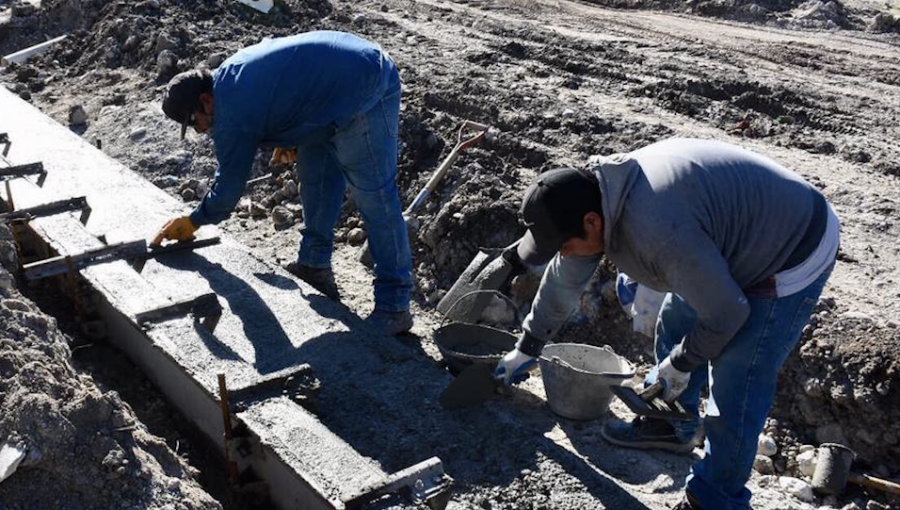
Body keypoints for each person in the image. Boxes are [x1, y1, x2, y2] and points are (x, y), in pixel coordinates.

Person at [493, 138, 839, 510]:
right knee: (676, 318)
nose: (563, 254)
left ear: (591, 223)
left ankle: (715, 498)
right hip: (722, 236)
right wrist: (527, 346)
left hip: (792, 248)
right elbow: (564, 281)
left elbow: (728, 313)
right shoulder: (597, 197)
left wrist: (683, 363)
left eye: (563, 245)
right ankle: (672, 425)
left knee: (739, 379)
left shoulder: (657, 231)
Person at [154, 31, 413, 336]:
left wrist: (195, 220)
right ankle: (314, 266)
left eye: (194, 122)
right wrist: (288, 130)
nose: (199, 132)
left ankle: (395, 306)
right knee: (315, 178)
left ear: (206, 102)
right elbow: (285, 86)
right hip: (335, 84)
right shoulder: (229, 78)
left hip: (364, 85)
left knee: (374, 196)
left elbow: (230, 188)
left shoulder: (232, 111)